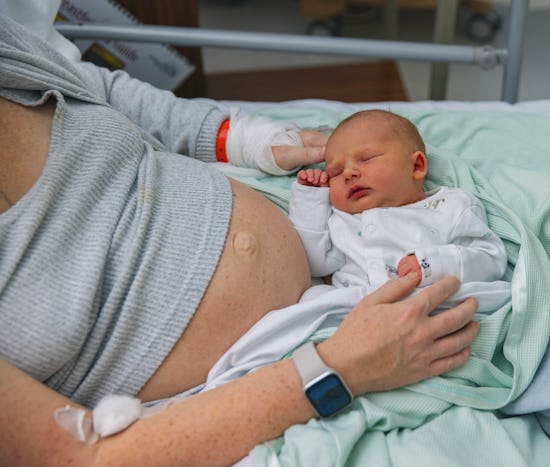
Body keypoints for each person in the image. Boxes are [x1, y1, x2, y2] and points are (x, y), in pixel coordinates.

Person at [0, 13, 481, 466]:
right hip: (269, 381)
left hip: (307, 258)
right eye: (336, 171)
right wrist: (338, 368)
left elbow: (95, 88)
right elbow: (80, 455)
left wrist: (244, 138)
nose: (346, 173)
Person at [289, 109, 509, 309]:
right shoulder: (343, 220)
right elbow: (315, 265)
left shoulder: (449, 206)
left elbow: (491, 259)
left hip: (425, 302)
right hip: (355, 309)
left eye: (366, 159)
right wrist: (310, 199)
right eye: (335, 172)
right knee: (310, 298)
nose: (348, 174)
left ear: (416, 166)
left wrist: (433, 264)